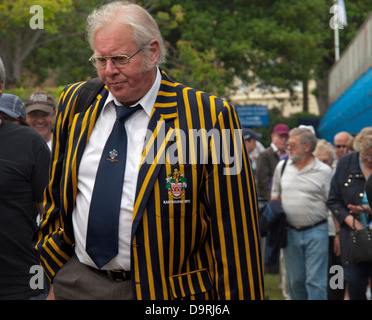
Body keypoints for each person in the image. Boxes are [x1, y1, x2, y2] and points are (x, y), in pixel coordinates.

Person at [34, 1, 263, 300]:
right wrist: (56, 272)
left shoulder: (209, 117)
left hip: (164, 294)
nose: (109, 71)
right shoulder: (77, 101)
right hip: (76, 282)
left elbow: (235, 232)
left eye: (119, 58)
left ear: (152, 52)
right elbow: (57, 193)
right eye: (100, 60)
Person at [0, 47, 51, 299]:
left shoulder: (29, 143)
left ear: (0, 86)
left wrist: (54, 287)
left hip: (21, 289)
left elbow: (53, 219)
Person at [271, 127, 333, 300]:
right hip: (289, 232)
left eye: (292, 144)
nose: (287, 147)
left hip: (317, 231)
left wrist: (335, 234)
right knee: (295, 281)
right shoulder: (282, 167)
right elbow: (275, 194)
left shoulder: (324, 171)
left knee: (315, 281)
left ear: (307, 147)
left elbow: (332, 203)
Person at [327, 126, 372, 300]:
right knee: (355, 285)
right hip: (352, 238)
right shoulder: (346, 163)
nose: (369, 159)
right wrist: (353, 222)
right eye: (365, 155)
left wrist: (371, 210)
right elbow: (333, 200)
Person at [313, 139, 344, 300]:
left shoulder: (337, 175)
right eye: (320, 160)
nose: (323, 164)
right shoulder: (313, 175)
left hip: (334, 230)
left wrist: (338, 233)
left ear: (332, 160)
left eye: (326, 160)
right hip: (317, 229)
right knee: (318, 270)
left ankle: (336, 296)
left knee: (335, 268)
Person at [256, 123, 290, 201]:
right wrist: (274, 200)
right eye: (281, 136)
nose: (284, 140)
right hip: (271, 199)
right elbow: (262, 182)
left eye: (286, 137)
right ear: (273, 136)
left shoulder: (290, 155)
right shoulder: (265, 155)